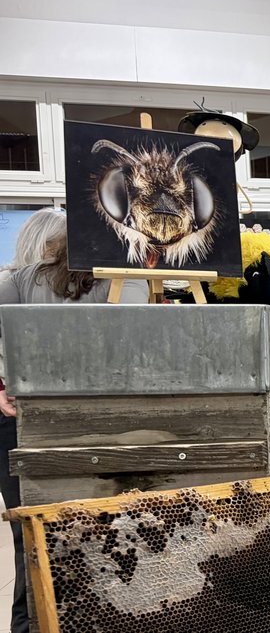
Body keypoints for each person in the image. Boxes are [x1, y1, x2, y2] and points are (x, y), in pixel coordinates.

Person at [0, 213, 148, 633]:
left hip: (28, 420)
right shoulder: (126, 282)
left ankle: (34, 624)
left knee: (34, 535)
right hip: (98, 424)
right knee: (97, 529)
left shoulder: (16, 281)